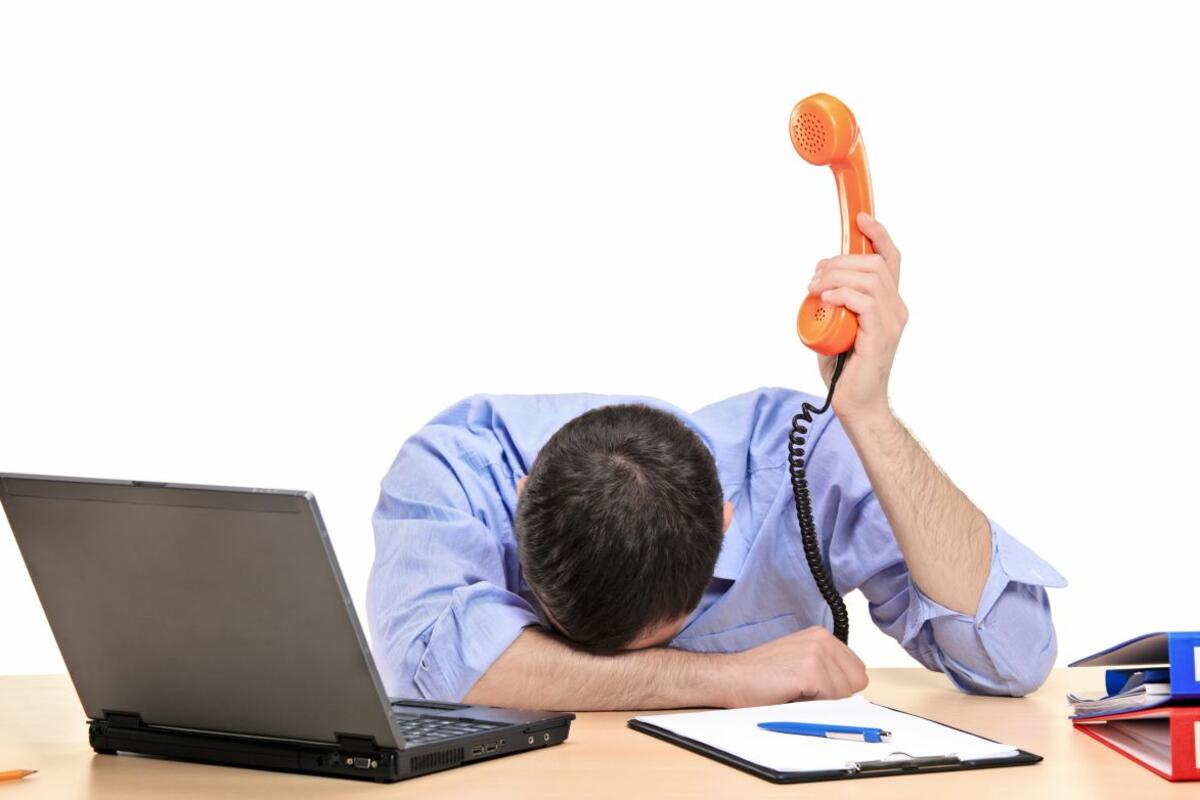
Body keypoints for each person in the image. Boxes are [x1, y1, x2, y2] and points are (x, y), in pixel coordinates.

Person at [367, 213, 1065, 710]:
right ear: (521, 498)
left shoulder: (805, 462)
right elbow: (426, 662)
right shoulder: (454, 464)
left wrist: (870, 416)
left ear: (725, 522)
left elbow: (1012, 657)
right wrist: (726, 678)